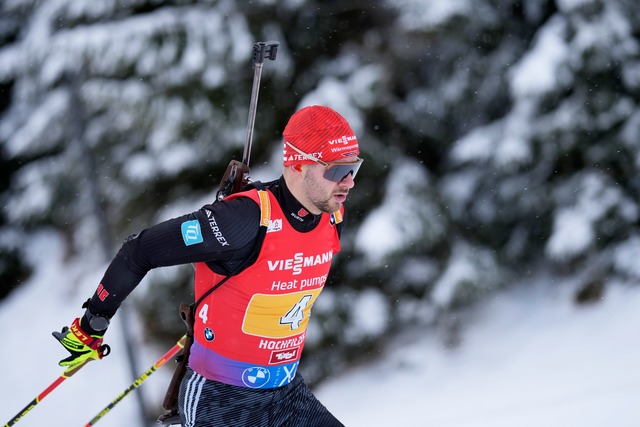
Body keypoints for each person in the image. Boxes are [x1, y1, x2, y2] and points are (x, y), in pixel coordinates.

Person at [53, 105, 363, 426]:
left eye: (354, 169)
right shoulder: (243, 219)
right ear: (299, 163)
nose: (349, 182)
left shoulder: (332, 216)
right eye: (338, 171)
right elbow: (140, 250)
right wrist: (93, 324)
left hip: (285, 394)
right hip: (221, 398)